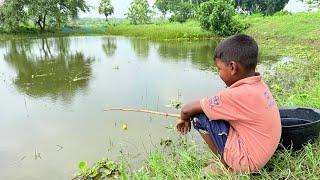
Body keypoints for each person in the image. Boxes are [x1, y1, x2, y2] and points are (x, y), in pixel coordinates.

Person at [176, 34, 281, 174]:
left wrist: (183, 118)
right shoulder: (259, 84)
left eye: (219, 69)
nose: (218, 73)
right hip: (264, 151)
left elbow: (187, 109)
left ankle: (225, 165)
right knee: (217, 113)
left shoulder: (234, 95)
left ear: (232, 67)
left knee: (199, 116)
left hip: (248, 162)